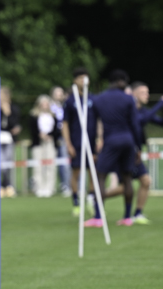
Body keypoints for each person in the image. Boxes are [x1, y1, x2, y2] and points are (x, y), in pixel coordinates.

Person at [105, 81, 163, 224]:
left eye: (147, 92)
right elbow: (142, 121)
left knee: (146, 181)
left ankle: (137, 213)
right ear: (133, 94)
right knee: (125, 187)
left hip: (135, 153)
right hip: (126, 152)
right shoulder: (130, 109)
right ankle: (97, 197)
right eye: (143, 92)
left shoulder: (143, 110)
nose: (146, 95)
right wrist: (160, 103)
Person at [85, 69, 140, 227]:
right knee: (127, 177)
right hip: (128, 140)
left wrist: (93, 147)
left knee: (100, 176)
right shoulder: (129, 99)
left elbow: (92, 125)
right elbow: (134, 125)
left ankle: (98, 217)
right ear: (120, 81)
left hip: (111, 140)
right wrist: (138, 146)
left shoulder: (98, 99)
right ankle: (127, 217)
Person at [62, 68, 99, 217]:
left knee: (94, 171)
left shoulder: (93, 99)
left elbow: (99, 120)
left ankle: (91, 199)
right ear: (75, 80)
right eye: (81, 77)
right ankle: (76, 203)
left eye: (86, 77)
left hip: (92, 141)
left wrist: (100, 138)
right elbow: (64, 124)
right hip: (77, 141)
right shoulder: (70, 100)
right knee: (76, 171)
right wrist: (68, 143)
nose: (84, 80)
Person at [0, 86, 22, 197]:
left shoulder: (13, 108)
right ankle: (4, 186)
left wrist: (8, 113)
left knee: (8, 163)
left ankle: (7, 186)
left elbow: (14, 125)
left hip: (9, 139)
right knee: (1, 163)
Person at [29, 95, 57, 197]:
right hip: (38, 143)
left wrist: (49, 136)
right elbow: (32, 129)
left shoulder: (53, 116)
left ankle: (49, 188)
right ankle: (39, 188)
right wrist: (40, 134)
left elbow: (56, 130)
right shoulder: (34, 116)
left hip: (50, 143)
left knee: (50, 165)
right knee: (38, 166)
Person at [50, 86, 71, 196]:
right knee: (63, 163)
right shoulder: (51, 107)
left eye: (61, 93)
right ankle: (65, 185)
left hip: (69, 137)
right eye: (57, 93)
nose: (60, 95)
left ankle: (71, 184)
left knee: (70, 163)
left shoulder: (66, 106)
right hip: (59, 138)